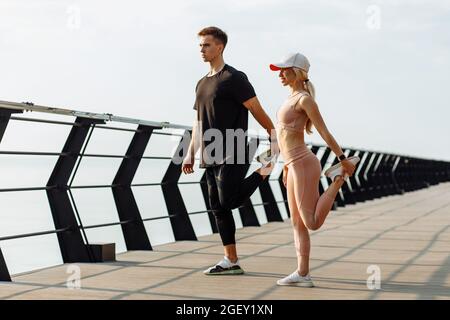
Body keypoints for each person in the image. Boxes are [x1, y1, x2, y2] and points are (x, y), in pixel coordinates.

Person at [182, 26, 278, 275]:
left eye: (206, 45)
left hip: (235, 148)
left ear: (220, 47)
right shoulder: (201, 83)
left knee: (228, 200)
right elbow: (198, 122)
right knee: (218, 207)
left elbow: (256, 109)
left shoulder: (234, 78)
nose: (201, 50)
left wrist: (274, 136)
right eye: (200, 45)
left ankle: (264, 169)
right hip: (209, 152)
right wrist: (189, 152)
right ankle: (231, 260)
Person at [269, 52, 360, 287]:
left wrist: (342, 158)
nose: (280, 74)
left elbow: (324, 132)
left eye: (284, 69)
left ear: (297, 72)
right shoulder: (289, 99)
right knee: (297, 224)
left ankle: (338, 180)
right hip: (293, 165)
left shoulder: (304, 100)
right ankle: (302, 273)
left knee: (311, 222)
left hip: (304, 163)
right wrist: (285, 167)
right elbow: (283, 137)